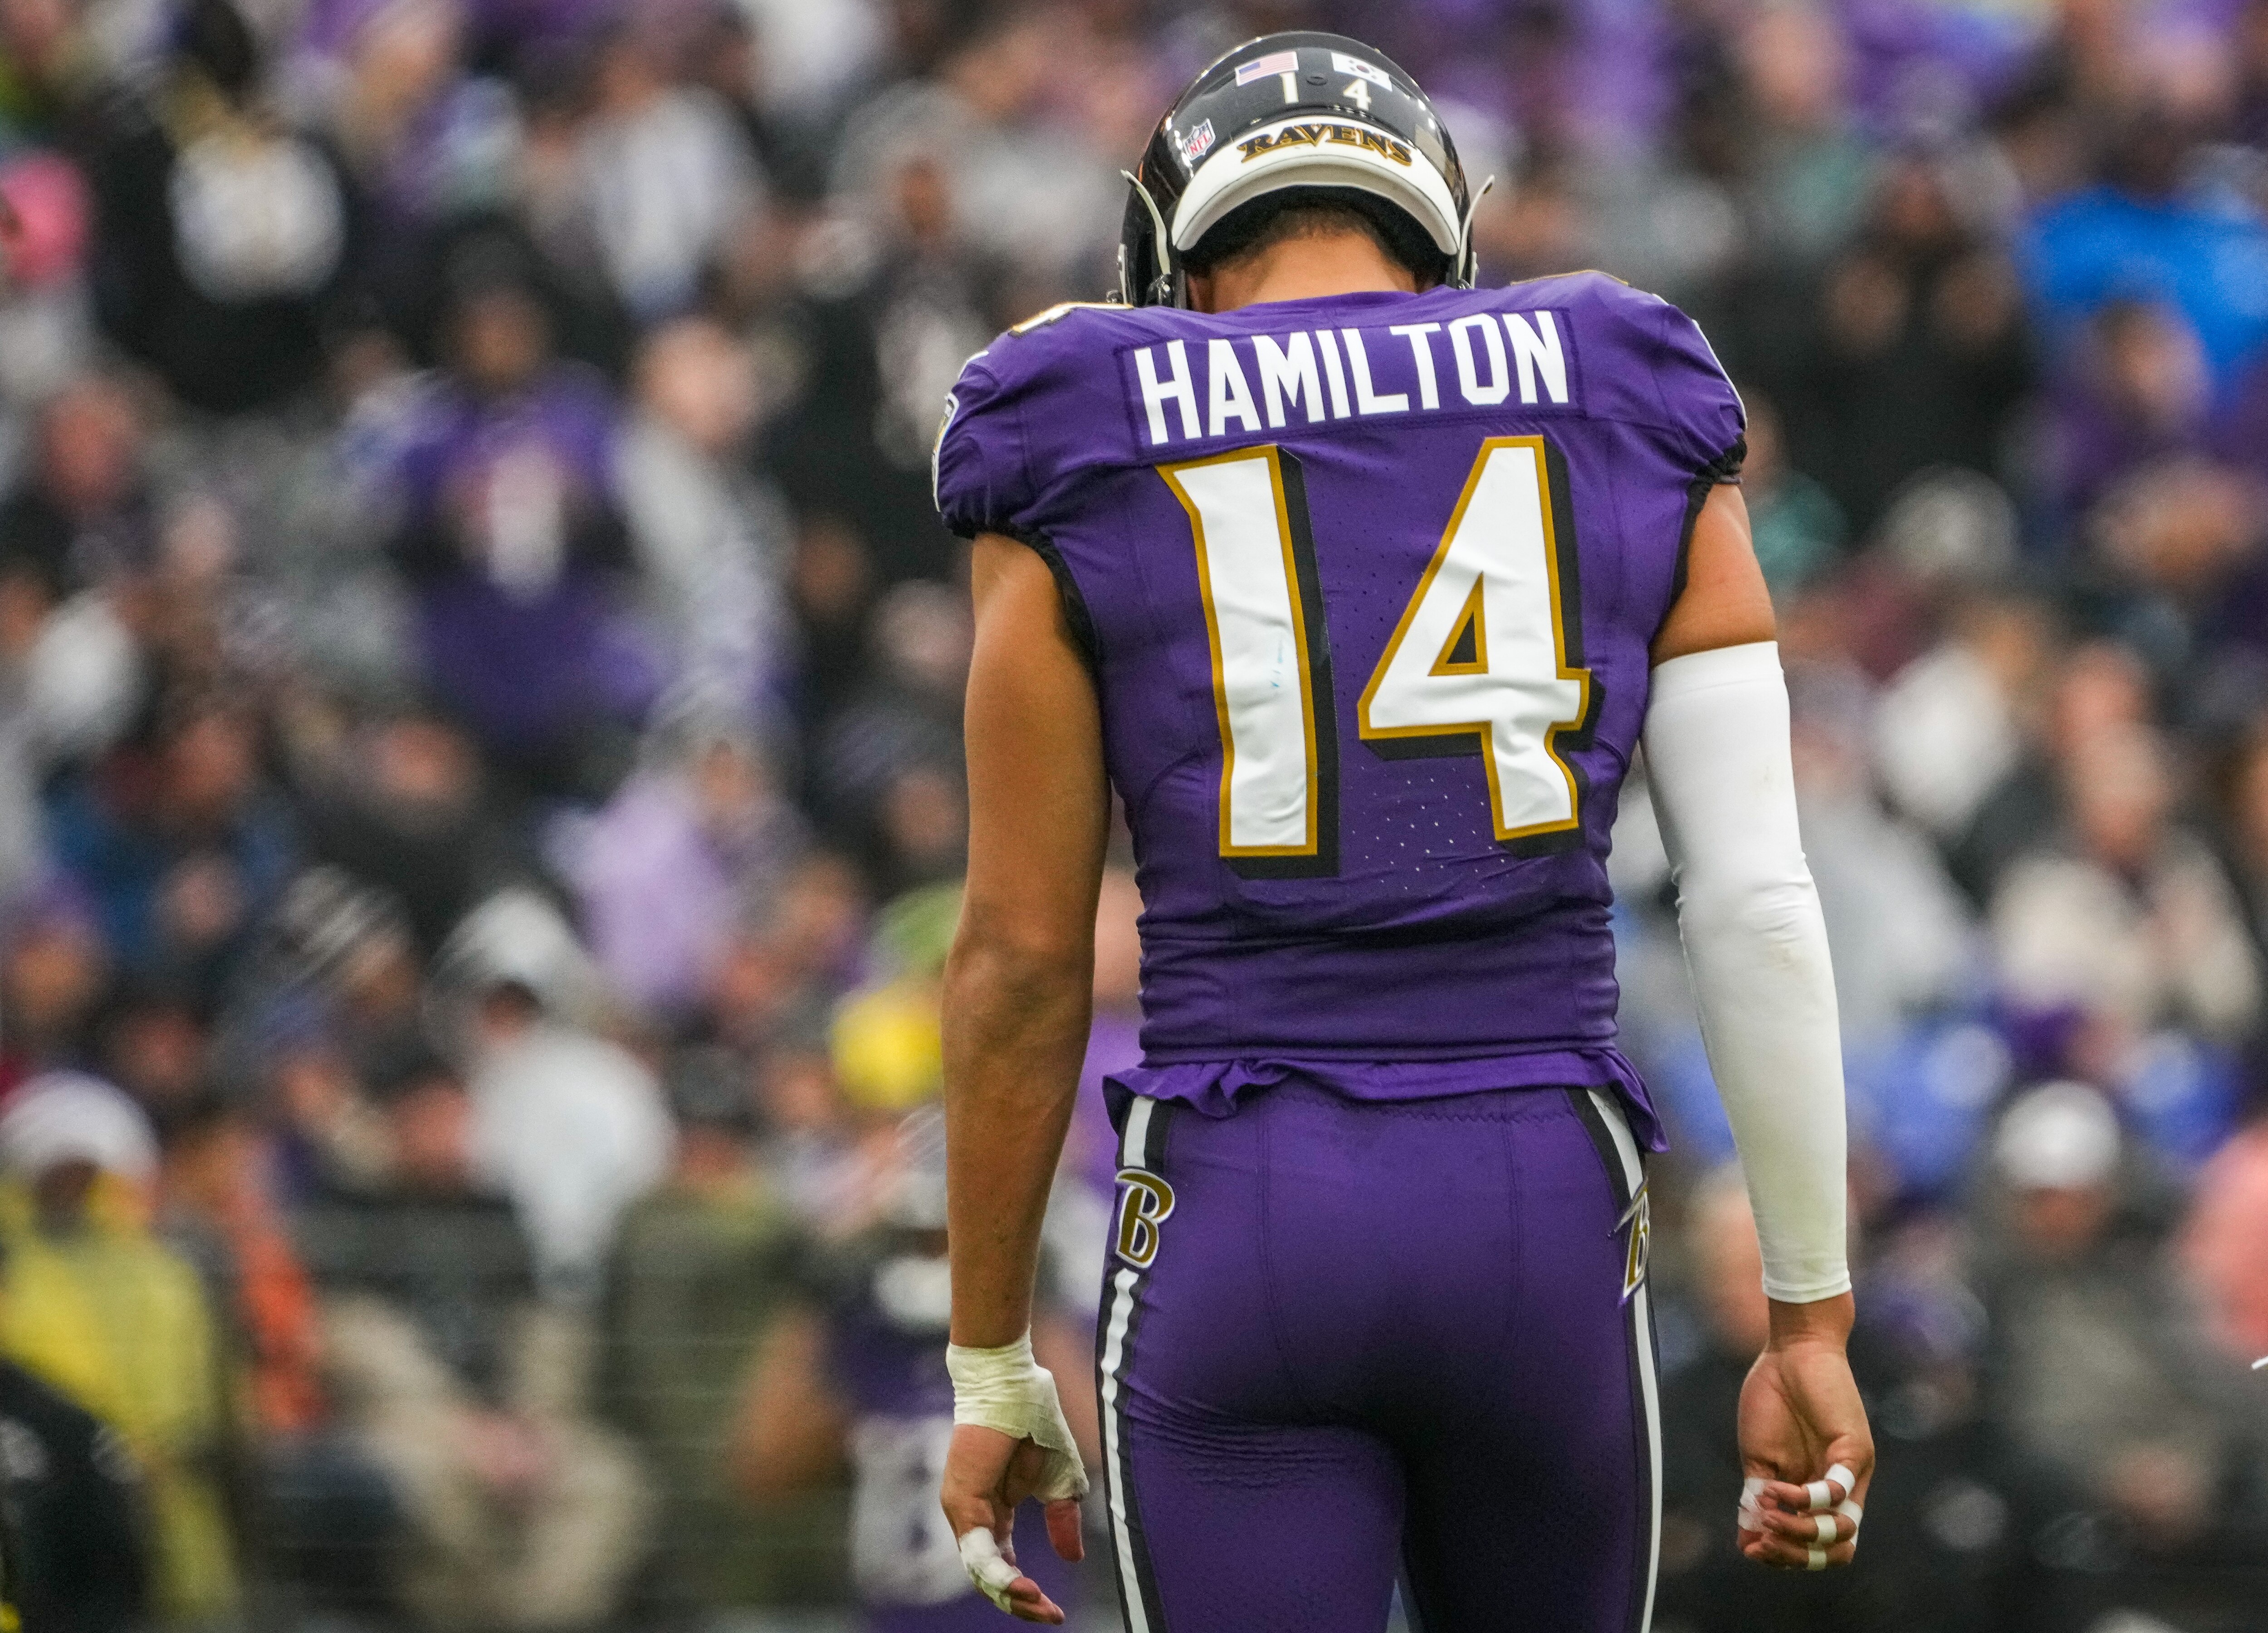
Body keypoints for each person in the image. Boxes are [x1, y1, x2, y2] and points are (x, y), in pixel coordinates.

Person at [929, 30, 1872, 1632]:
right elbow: (1757, 901)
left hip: (1245, 1198)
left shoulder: (1076, 409)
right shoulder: (1620, 374)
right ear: (1436, 231)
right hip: (1544, 1205)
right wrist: (1809, 1325)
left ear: (1182, 252)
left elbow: (1022, 955)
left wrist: (988, 1354)